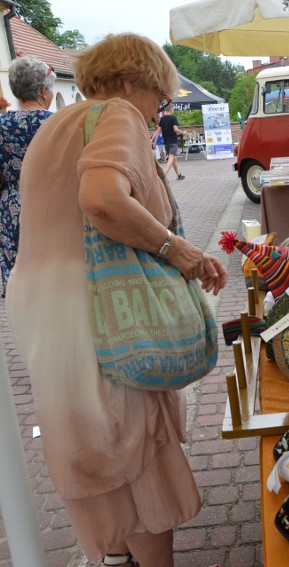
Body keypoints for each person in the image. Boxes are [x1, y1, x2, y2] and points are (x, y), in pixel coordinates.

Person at [6, 33, 228, 567]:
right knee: (135, 450)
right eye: (160, 97)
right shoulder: (118, 114)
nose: (159, 112)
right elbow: (102, 198)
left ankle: (116, 555)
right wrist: (180, 252)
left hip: (44, 309)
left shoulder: (54, 126)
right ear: (132, 81)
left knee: (94, 447)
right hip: (101, 308)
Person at [0, 55, 54, 296]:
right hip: (53, 207)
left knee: (21, 287)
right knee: (56, 281)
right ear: (43, 90)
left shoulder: (1, 125)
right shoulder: (58, 123)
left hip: (11, 209)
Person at [159, 103, 185, 180]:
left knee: (174, 159)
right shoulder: (173, 118)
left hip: (166, 142)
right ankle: (163, 175)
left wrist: (153, 142)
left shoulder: (162, 118)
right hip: (173, 141)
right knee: (171, 158)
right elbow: (175, 129)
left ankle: (179, 175)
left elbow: (158, 130)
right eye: (173, 109)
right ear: (171, 109)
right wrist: (183, 132)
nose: (173, 110)